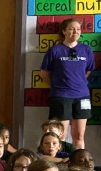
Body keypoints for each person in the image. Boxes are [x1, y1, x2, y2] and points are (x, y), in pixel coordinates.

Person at [40, 18, 95, 149]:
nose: (75, 32)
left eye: (78, 29)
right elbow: (44, 74)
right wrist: (59, 85)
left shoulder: (86, 50)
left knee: (79, 135)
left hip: (82, 96)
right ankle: (60, 163)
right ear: (64, 31)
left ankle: (79, 164)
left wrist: (77, 82)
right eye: (71, 29)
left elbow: (88, 71)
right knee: (60, 135)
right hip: (61, 96)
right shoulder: (55, 50)